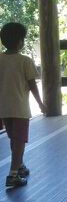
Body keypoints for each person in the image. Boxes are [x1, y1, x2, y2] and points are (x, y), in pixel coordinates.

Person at [0, 22, 46, 188]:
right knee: (19, 140)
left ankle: (19, 165)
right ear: (20, 41)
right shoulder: (25, 61)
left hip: (4, 108)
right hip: (20, 108)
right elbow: (32, 85)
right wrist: (40, 104)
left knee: (14, 138)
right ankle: (13, 175)